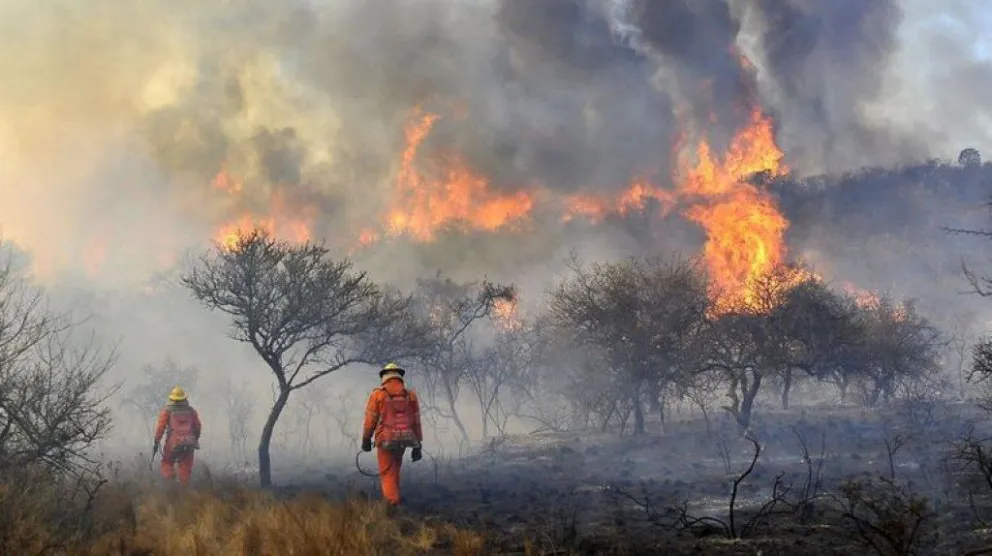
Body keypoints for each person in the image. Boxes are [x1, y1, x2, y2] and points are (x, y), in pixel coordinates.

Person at [361, 363, 423, 506]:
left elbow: (370, 419)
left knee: (387, 472)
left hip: (385, 440)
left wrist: (366, 439)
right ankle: (395, 498)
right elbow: (416, 421)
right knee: (394, 469)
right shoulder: (410, 396)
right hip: (405, 439)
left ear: (384, 377)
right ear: (399, 377)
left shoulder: (378, 394)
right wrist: (418, 444)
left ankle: (392, 504)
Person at [153, 386, 202, 487]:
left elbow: (161, 427)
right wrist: (194, 439)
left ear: (172, 399)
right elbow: (198, 427)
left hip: (173, 443)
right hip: (189, 442)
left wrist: (156, 441)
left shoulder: (167, 411)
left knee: (167, 461)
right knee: (186, 465)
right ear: (184, 398)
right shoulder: (191, 411)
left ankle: (170, 483)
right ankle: (183, 489)